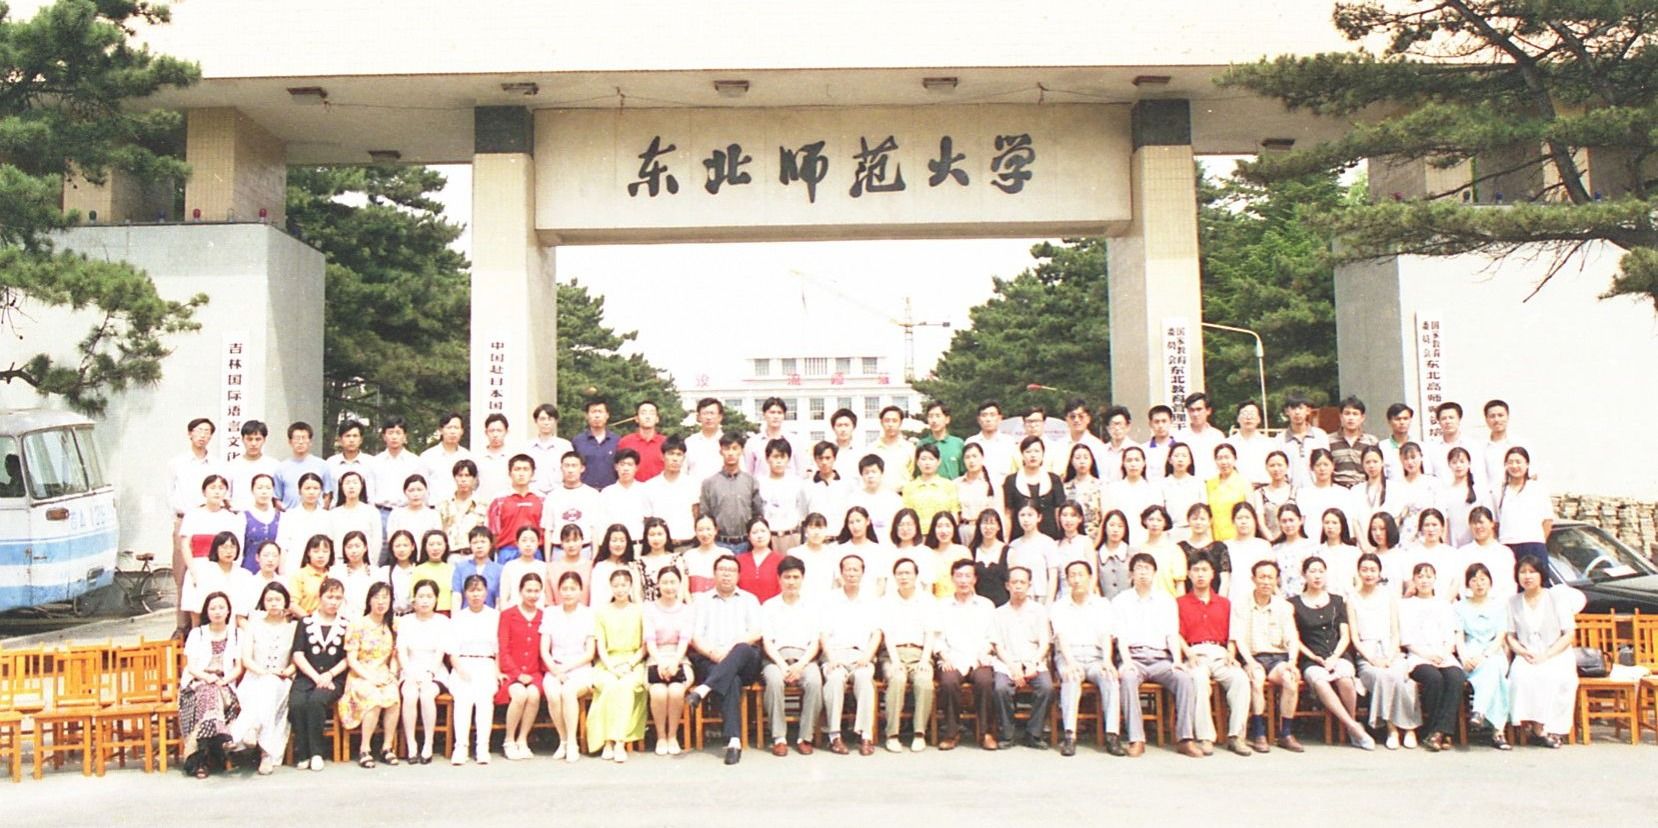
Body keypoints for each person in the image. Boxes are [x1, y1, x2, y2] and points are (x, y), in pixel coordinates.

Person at [1113, 553, 1202, 757]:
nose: (1143, 573)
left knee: (1184, 679)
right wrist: (1126, 662)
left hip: (1161, 658)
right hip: (1134, 657)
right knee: (1127, 678)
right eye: (1139, 568)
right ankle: (1136, 739)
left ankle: (1185, 738)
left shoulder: (1166, 600)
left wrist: (1177, 660)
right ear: (1131, 574)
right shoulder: (1121, 601)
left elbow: (1172, 634)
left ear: (1154, 573)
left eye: (1147, 568)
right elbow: (1121, 637)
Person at [1291, 557, 1377, 749]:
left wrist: (1335, 657)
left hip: (1337, 654)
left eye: (1321, 571)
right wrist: (1314, 657)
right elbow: (1294, 639)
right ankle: (1354, 728)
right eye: (1312, 571)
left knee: (1345, 679)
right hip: (1311, 658)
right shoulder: (1294, 604)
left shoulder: (1337, 601)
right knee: (1320, 681)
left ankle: (1351, 727)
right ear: (1304, 575)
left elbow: (1345, 635)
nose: (1317, 576)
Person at [687, 554, 764, 765]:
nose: (726, 575)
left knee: (742, 648)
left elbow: (756, 632)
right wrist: (712, 653)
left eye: (731, 571)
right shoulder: (702, 601)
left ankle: (704, 689)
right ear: (714, 574)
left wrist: (730, 651)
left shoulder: (749, 599)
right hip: (711, 659)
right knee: (731, 679)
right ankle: (734, 741)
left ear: (738, 575)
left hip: (745, 659)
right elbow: (696, 636)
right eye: (722, 570)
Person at [1177, 553, 1250, 757]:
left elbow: (1233, 634)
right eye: (1196, 570)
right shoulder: (1180, 603)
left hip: (1220, 653)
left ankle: (1236, 736)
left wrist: (1231, 653)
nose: (1200, 575)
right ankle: (1205, 737)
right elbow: (1176, 634)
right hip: (1195, 653)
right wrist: (1188, 653)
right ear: (1189, 574)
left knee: (1240, 679)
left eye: (1205, 570)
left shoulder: (1224, 603)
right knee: (1198, 679)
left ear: (1213, 574)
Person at [1348, 553, 1421, 749]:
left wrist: (1390, 656)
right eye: (1364, 570)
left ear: (1379, 573)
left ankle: (1409, 729)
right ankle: (1393, 729)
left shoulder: (1389, 596)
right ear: (1358, 572)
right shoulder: (1352, 599)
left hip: (1391, 650)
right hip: (1367, 654)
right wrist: (1372, 659)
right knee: (1382, 676)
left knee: (1400, 677)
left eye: (1373, 570)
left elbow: (1396, 631)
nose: (1369, 574)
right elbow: (1355, 637)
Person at [1051, 560, 1123, 756]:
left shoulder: (1102, 604)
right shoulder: (1059, 606)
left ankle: (1112, 734)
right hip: (1069, 656)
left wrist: (1107, 660)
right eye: (1072, 575)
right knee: (1071, 677)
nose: (1076, 580)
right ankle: (1070, 735)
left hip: (1095, 657)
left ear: (1090, 578)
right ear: (1067, 580)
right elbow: (1061, 637)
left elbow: (1106, 635)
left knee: (1110, 676)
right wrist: (1070, 663)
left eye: (1080, 575)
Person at [1506, 556, 1577, 748]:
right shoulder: (1512, 602)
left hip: (1556, 652)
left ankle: (1553, 728)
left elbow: (1569, 633)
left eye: (1532, 571)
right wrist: (1522, 652)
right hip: (1527, 653)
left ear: (1541, 574)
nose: (1527, 576)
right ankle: (1534, 725)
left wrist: (1548, 654)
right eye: (1523, 572)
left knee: (1555, 677)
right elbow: (1510, 636)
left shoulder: (1555, 598)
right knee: (1519, 676)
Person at [1233, 560, 1303, 753]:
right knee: (1256, 679)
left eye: (1270, 577)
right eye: (1261, 577)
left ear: (1276, 580)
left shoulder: (1284, 606)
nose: (1266, 582)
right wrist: (1250, 662)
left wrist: (1292, 662)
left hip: (1278, 658)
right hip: (1253, 656)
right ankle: (1259, 733)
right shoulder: (1241, 604)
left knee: (1290, 679)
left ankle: (1286, 733)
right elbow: (1239, 638)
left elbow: (1292, 637)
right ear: (1253, 579)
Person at [1399, 562, 1466, 751]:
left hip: (1443, 654)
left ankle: (1438, 732)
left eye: (1428, 576)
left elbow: (1451, 636)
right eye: (1420, 576)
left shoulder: (1444, 604)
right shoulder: (1405, 605)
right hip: (1419, 655)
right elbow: (1406, 638)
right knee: (1434, 678)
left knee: (1456, 677)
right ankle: (1441, 732)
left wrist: (1443, 653)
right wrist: (1427, 655)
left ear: (1435, 579)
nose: (1424, 580)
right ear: (1413, 580)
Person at [760, 555, 823, 758]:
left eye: (796, 577)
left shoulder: (812, 606)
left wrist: (800, 665)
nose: (791, 582)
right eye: (787, 577)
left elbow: (815, 642)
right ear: (779, 579)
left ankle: (805, 736)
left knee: (814, 681)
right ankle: (779, 737)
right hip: (776, 658)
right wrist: (782, 665)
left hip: (804, 658)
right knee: (773, 681)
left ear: (802, 579)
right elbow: (767, 642)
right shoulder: (769, 606)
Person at [934, 559, 1000, 751]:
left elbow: (992, 636)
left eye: (967, 576)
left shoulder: (986, 605)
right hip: (952, 657)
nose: (963, 580)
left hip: (979, 657)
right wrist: (944, 656)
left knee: (985, 681)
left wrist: (984, 652)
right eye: (959, 576)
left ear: (975, 579)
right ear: (952, 578)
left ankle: (986, 733)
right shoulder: (943, 605)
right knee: (948, 682)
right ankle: (951, 733)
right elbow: (937, 637)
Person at [231, 582, 296, 775]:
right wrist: (264, 673)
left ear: (285, 602)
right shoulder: (253, 626)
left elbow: (295, 660)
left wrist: (287, 672)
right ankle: (266, 754)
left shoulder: (293, 627)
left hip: (282, 680)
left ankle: (251, 729)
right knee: (267, 686)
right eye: (269, 599)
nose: (274, 603)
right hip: (254, 678)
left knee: (271, 686)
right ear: (263, 602)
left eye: (278, 599)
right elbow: (246, 659)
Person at [822, 554, 882, 754]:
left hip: (860, 655)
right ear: (841, 573)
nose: (851, 573)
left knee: (865, 679)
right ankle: (834, 736)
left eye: (856, 569)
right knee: (834, 680)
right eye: (847, 569)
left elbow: (876, 633)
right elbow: (823, 634)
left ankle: (865, 736)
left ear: (862, 573)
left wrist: (867, 657)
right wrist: (831, 658)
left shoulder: (871, 600)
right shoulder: (830, 599)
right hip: (835, 654)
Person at [990, 566, 1055, 751]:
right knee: (1001, 688)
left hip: (1034, 661)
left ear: (1029, 585)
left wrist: (1033, 663)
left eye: (1022, 582)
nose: (1018, 586)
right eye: (1014, 582)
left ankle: (1033, 734)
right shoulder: (998, 613)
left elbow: (1045, 643)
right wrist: (1013, 667)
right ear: (1007, 585)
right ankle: (1007, 733)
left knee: (1046, 688)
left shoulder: (1039, 611)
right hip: (1007, 663)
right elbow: (998, 646)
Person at [587, 568, 648, 762]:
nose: (620, 589)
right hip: (608, 662)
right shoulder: (602, 612)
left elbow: (645, 645)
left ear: (630, 586)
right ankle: (607, 741)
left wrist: (630, 664)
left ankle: (618, 741)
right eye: (616, 585)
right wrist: (611, 667)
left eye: (624, 585)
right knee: (610, 685)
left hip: (633, 661)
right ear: (610, 587)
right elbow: (600, 646)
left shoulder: (640, 610)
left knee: (625, 686)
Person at [180, 592, 242, 778]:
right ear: (206, 611)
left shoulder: (237, 634)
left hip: (225, 684)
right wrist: (207, 678)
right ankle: (219, 742)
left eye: (221, 607)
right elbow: (191, 667)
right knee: (209, 693)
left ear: (228, 610)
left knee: (214, 693)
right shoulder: (197, 633)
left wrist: (224, 680)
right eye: (213, 608)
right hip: (197, 683)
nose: (217, 612)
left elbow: (238, 667)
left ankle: (200, 760)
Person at [289, 578, 348, 771]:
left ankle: (316, 752)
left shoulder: (345, 624)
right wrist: (317, 677)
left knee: (316, 701)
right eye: (330, 597)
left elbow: (347, 658)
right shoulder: (305, 622)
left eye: (338, 598)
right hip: (307, 676)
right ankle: (303, 752)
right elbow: (298, 654)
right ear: (320, 597)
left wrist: (329, 675)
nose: (334, 602)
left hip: (334, 678)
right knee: (297, 703)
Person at [538, 570, 597, 762]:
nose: (568, 592)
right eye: (564, 588)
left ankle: (572, 742)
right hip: (555, 668)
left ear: (580, 590)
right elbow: (544, 650)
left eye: (573, 588)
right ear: (559, 590)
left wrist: (566, 668)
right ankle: (562, 740)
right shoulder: (550, 613)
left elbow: (589, 653)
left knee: (568, 692)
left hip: (580, 668)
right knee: (553, 694)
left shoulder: (588, 614)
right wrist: (556, 670)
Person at [340, 582, 401, 767]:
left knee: (393, 697)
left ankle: (387, 747)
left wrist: (392, 674)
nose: (381, 602)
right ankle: (364, 748)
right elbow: (352, 660)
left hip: (383, 673)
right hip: (360, 674)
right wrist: (369, 677)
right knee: (373, 698)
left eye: (385, 598)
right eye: (376, 597)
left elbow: (394, 656)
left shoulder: (392, 625)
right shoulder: (357, 624)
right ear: (369, 600)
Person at [880, 557, 937, 753]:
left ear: (916, 576)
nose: (904, 577)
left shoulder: (927, 600)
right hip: (893, 653)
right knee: (897, 679)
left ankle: (919, 733)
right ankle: (892, 735)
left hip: (919, 653)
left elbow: (930, 633)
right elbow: (887, 634)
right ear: (894, 576)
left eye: (908, 573)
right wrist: (895, 660)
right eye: (900, 573)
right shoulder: (887, 601)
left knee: (924, 681)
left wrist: (925, 660)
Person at [1455, 562, 1512, 749]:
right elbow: (1459, 636)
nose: (1479, 584)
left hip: (1492, 651)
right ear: (1468, 584)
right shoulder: (1460, 607)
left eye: (1482, 579)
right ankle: (1498, 732)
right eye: (1474, 580)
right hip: (1470, 652)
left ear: (1490, 582)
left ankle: (1479, 711)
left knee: (1493, 666)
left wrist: (1485, 655)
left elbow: (1500, 636)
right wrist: (1464, 657)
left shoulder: (1499, 606)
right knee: (1496, 677)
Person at [446, 575, 499, 765]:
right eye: (471, 590)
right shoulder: (458, 618)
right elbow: (452, 651)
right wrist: (460, 669)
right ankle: (461, 746)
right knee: (463, 698)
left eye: (479, 590)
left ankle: (482, 747)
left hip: (486, 664)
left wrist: (498, 671)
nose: (475, 595)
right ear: (465, 593)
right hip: (463, 663)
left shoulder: (495, 616)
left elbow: (499, 649)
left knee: (484, 699)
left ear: (486, 592)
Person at [396, 579, 450, 764]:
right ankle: (411, 744)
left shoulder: (443, 622)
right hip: (410, 668)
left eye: (429, 596)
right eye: (421, 596)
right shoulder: (405, 621)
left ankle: (428, 743)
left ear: (436, 599)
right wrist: (409, 672)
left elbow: (440, 653)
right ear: (414, 599)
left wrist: (429, 674)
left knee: (427, 695)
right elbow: (402, 652)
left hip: (435, 671)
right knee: (410, 695)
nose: (425, 600)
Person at [644, 566, 695, 756]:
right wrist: (659, 661)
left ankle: (673, 735)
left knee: (675, 691)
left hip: (680, 657)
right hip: (655, 657)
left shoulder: (687, 610)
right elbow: (649, 640)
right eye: (664, 582)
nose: (669, 586)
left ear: (679, 584)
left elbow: (684, 640)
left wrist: (674, 662)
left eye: (673, 582)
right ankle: (661, 736)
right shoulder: (649, 608)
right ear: (658, 584)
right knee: (658, 692)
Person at [496, 572, 546, 760]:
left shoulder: (543, 616)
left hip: (534, 671)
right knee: (519, 694)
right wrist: (517, 674)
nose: (532, 595)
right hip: (512, 672)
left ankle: (522, 739)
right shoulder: (508, 615)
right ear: (520, 591)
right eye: (528, 591)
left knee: (533, 694)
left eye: (536, 591)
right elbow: (503, 648)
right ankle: (509, 739)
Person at [170, 418, 222, 584]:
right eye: (199, 430)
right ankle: (181, 601)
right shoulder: (177, 462)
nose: (203, 435)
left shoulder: (217, 464)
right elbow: (169, 493)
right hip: (184, 519)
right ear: (190, 434)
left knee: (209, 567)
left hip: (208, 520)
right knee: (181, 571)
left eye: (207, 432)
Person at [700, 435, 764, 551]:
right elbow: (705, 515)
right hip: (719, 543)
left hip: (746, 543)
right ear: (721, 451)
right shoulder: (709, 483)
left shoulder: (751, 481)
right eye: (727, 449)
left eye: (735, 448)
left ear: (741, 451)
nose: (730, 453)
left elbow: (757, 513)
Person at [183, 531, 255, 627]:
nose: (229, 551)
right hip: (208, 626)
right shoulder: (203, 571)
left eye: (232, 547)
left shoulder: (245, 575)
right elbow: (196, 607)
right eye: (224, 547)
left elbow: (245, 610)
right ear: (215, 549)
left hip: (235, 627)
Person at [1495, 447, 1552, 567]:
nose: (1514, 466)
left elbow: (1547, 521)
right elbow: (1496, 523)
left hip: (1533, 545)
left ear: (1527, 464)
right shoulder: (1499, 491)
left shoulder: (1537, 488)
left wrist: (1538, 542)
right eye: (1510, 462)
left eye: (1518, 462)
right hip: (1507, 545)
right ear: (1505, 465)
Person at [540, 452, 603, 556]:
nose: (570, 470)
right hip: (559, 551)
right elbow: (548, 530)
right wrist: (548, 560)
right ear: (561, 468)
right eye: (567, 466)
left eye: (574, 466)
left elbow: (595, 529)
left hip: (585, 550)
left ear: (582, 468)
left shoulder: (592, 495)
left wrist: (594, 557)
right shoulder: (552, 496)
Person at [1004, 436, 1064, 540]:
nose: (1033, 455)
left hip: (1050, 537)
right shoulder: (1011, 480)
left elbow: (1058, 511)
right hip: (1019, 538)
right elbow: (1008, 514)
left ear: (1043, 454)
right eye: (1028, 451)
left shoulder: (1054, 479)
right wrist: (1006, 539)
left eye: (1037, 451)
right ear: (1022, 455)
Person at [373, 417, 425, 533]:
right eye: (390, 433)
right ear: (384, 436)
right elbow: (370, 493)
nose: (394, 437)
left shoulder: (415, 462)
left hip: (407, 512)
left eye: (398, 433)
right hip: (381, 513)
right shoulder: (375, 462)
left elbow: (422, 490)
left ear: (405, 436)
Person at [757, 439, 811, 551]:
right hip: (768, 537)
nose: (779, 461)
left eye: (782, 457)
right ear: (767, 458)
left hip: (792, 536)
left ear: (788, 459)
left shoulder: (797, 482)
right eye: (775, 457)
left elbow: (803, 513)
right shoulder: (759, 483)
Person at [487, 454, 545, 555]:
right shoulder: (498, 500)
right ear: (510, 473)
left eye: (525, 469)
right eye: (517, 469)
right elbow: (493, 532)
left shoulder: (542, 499)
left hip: (534, 551)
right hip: (507, 551)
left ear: (532, 473)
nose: (521, 474)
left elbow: (545, 530)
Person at [646, 435, 699, 542]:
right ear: (662, 456)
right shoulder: (650, 486)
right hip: (660, 544)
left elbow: (696, 514)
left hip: (687, 542)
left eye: (679, 454)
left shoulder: (693, 484)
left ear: (684, 458)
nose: (675, 459)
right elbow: (647, 519)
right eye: (671, 454)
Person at [275, 472, 330, 575]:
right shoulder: (289, 516)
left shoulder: (327, 517)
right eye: (307, 488)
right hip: (293, 567)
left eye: (316, 488)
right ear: (299, 491)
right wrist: (282, 573)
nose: (311, 492)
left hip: (320, 570)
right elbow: (283, 547)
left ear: (321, 491)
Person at [1436, 446, 1491, 548]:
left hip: (1477, 542)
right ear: (1449, 465)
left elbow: (1487, 519)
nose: (1458, 466)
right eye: (1454, 462)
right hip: (1453, 542)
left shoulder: (1480, 490)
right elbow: (1445, 520)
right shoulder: (1445, 492)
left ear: (1469, 464)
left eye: (1462, 461)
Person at [1458, 507, 1518, 600]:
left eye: (1481, 522)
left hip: (1499, 604)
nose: (1478, 526)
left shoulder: (1505, 553)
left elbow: (1510, 586)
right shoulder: (1462, 553)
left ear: (1492, 523)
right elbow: (1460, 585)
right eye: (1474, 523)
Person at [1425, 402, 1487, 491]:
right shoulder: (1431, 448)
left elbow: (1479, 476)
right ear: (1438, 422)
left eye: (1451, 417)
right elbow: (1428, 476)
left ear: (1459, 419)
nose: (1448, 421)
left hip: (1468, 495)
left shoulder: (1472, 445)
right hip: (1441, 496)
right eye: (1443, 418)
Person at [745, 397, 808, 480]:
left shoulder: (795, 441)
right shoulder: (752, 443)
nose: (776, 416)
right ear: (764, 414)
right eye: (772, 412)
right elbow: (749, 472)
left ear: (784, 415)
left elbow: (801, 471)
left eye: (779, 413)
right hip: (761, 486)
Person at [1388, 443, 1439, 546]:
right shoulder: (1396, 485)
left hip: (1428, 536)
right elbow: (1394, 518)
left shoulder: (1433, 483)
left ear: (1421, 456)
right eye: (1406, 459)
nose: (1410, 462)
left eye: (1413, 457)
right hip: (1404, 538)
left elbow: (1441, 515)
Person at [902, 443, 960, 532]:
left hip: (942, 535)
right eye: (923, 459)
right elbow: (907, 516)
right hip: (918, 535)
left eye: (931, 459)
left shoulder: (948, 485)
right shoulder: (909, 488)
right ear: (917, 462)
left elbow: (954, 513)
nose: (927, 463)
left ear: (938, 461)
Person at [1007, 504, 1058, 604]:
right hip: (1019, 597)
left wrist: (1049, 603)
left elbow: (1053, 576)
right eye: (1022, 515)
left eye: (1030, 515)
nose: (1026, 519)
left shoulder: (1048, 543)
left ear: (1039, 517)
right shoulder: (1014, 545)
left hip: (1042, 596)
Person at [226, 420, 281, 513]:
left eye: (258, 439)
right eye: (249, 439)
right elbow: (226, 496)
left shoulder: (274, 465)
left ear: (264, 440)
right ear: (242, 439)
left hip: (265, 515)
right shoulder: (232, 466)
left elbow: (278, 497)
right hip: (238, 514)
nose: (253, 443)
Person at [385, 475, 441, 565]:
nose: (415, 494)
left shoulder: (433, 515)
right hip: (402, 562)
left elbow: (437, 540)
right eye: (411, 490)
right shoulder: (396, 514)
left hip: (426, 562)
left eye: (419, 490)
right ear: (405, 492)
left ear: (426, 491)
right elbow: (391, 540)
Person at [328, 471, 381, 567]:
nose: (351, 486)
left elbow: (376, 542)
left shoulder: (372, 512)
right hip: (339, 563)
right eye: (347, 483)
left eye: (355, 482)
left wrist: (372, 563)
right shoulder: (333, 514)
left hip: (366, 563)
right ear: (341, 487)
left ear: (362, 486)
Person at [418, 413, 472, 505]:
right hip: (435, 509)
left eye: (456, 428)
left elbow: (473, 484)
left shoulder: (468, 456)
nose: (452, 432)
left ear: (462, 431)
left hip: (461, 508)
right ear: (441, 430)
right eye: (449, 427)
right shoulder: (427, 457)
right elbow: (420, 485)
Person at [1277, 395, 1330, 488]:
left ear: (1308, 411)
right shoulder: (1280, 439)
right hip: (1290, 490)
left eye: (1301, 408)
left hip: (1317, 489)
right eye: (1293, 408)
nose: (1297, 412)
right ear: (1287, 411)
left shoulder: (1320, 436)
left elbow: (1327, 464)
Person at [1179, 503, 1230, 597]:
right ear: (1188, 521)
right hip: (1188, 600)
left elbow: (1225, 579)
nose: (1198, 522)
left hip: (1214, 600)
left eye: (1202, 519)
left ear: (1210, 521)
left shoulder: (1219, 547)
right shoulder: (1180, 548)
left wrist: (1220, 602)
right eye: (1195, 519)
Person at [1225, 503, 1273, 604]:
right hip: (1233, 599)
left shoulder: (1264, 545)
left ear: (1254, 520)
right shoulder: (1226, 546)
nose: (1243, 522)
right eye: (1239, 518)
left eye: (1247, 518)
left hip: (1259, 600)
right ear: (1233, 521)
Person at [846, 454, 903, 538]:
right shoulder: (854, 499)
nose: (870, 476)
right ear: (861, 475)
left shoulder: (894, 499)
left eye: (874, 472)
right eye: (866, 473)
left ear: (882, 473)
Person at [1049, 398, 1107, 478]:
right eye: (1072, 416)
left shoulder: (1098, 446)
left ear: (1088, 419)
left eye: (1081, 416)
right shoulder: (1057, 446)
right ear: (1066, 419)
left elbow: (1103, 475)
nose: (1076, 420)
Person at [439, 459, 488, 553]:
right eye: (460, 475)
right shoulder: (443, 505)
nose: (463, 480)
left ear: (474, 478)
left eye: (467, 475)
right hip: (450, 553)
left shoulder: (483, 505)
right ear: (454, 478)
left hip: (474, 554)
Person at [1329, 397, 1379, 488]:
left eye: (1355, 414)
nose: (1351, 418)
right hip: (1337, 489)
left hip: (1363, 489)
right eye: (1347, 413)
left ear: (1362, 417)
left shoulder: (1371, 441)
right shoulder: (1329, 440)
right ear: (1341, 416)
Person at [1107, 446, 1159, 537]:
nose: (1133, 464)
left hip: (1146, 539)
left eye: (1137, 460)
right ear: (1123, 463)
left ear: (1144, 463)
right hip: (1119, 539)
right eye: (1129, 460)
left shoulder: (1153, 489)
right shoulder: (1113, 489)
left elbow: (1158, 519)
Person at [599, 449, 651, 538]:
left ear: (636, 468)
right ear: (616, 467)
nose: (625, 469)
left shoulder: (645, 490)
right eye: (622, 464)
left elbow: (649, 518)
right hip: (615, 542)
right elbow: (601, 522)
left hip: (639, 542)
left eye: (630, 465)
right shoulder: (607, 493)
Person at [1175, 393, 1227, 480]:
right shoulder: (1179, 437)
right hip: (1188, 484)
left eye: (1199, 409)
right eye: (1191, 410)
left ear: (1208, 411)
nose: (1195, 414)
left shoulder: (1218, 436)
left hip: (1213, 483)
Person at [526, 403, 574, 498]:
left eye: (550, 419)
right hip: (533, 494)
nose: (546, 423)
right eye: (542, 419)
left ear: (555, 421)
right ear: (536, 421)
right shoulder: (527, 447)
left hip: (559, 494)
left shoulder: (565, 446)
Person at [1207, 443, 1252, 542]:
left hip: (1238, 539)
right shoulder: (1210, 484)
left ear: (1235, 459)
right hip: (1215, 539)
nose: (1223, 462)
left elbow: (1251, 516)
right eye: (1219, 458)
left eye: (1227, 457)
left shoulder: (1244, 483)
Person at [964, 400, 1019, 481]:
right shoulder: (971, 442)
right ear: (978, 419)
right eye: (984, 415)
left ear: (1000, 418)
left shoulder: (1010, 442)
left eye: (992, 415)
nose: (988, 419)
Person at [324, 419, 374, 508]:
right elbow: (328, 493)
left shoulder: (371, 462)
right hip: (337, 512)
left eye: (355, 436)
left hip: (365, 512)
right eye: (347, 436)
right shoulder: (331, 463)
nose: (351, 440)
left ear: (361, 440)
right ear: (340, 440)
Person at [805, 442, 851, 538]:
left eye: (828, 458)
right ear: (815, 459)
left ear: (834, 458)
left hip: (839, 539)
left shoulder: (846, 484)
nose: (824, 462)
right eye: (820, 458)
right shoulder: (807, 485)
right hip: (815, 540)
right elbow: (803, 514)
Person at [1161, 444, 1205, 542]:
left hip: (1194, 531)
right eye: (1176, 456)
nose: (1180, 459)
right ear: (1170, 460)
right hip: (1170, 533)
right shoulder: (1162, 484)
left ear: (1190, 460)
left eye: (1184, 456)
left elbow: (1204, 510)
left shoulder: (1198, 483)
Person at [1139, 505, 1185, 598]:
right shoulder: (1140, 550)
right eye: (1151, 519)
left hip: (1169, 601)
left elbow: (1180, 585)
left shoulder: (1174, 550)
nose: (1154, 524)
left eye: (1159, 520)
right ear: (1144, 521)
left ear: (1165, 523)